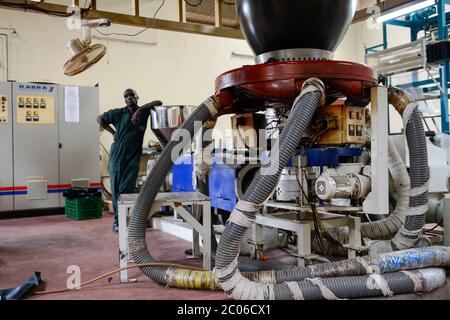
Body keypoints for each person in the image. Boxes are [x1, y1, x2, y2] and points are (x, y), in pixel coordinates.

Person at [97, 89, 162, 232]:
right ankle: (117, 222)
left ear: (137, 97)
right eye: (126, 96)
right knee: (116, 190)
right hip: (118, 155)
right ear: (124, 100)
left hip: (134, 155)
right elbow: (100, 119)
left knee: (127, 188)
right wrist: (113, 132)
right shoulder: (118, 113)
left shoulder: (144, 113)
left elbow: (158, 102)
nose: (129, 98)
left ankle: (126, 218)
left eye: (132, 95)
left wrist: (140, 111)